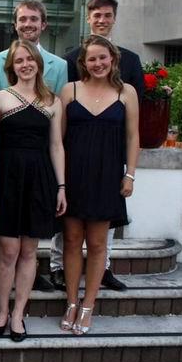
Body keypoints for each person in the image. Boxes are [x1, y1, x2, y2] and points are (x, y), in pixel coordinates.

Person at [54, 0, 145, 292]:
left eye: (107, 15)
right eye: (97, 15)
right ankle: (60, 271)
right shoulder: (69, 61)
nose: (102, 20)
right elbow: (61, 126)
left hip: (108, 162)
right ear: (89, 17)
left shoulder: (131, 62)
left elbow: (133, 126)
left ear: (114, 18)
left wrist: (129, 172)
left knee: (99, 239)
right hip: (75, 164)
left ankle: (101, 273)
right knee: (69, 235)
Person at [0, 0, 68, 294]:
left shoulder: (58, 78)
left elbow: (57, 143)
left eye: (34, 19)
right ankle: (0, 299)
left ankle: (19, 308)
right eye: (23, 19)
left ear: (43, 24)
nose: (25, 64)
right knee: (6, 249)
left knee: (29, 249)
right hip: (7, 172)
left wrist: (61, 186)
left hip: (38, 173)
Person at [59, 35, 139, 335]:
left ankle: (88, 305)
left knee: (96, 245)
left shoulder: (126, 92)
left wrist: (129, 174)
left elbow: (133, 137)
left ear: (113, 59)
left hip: (107, 177)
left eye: (102, 58)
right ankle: (70, 302)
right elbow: (58, 139)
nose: (97, 63)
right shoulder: (70, 90)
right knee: (70, 241)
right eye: (91, 59)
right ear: (84, 63)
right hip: (73, 175)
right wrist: (60, 182)